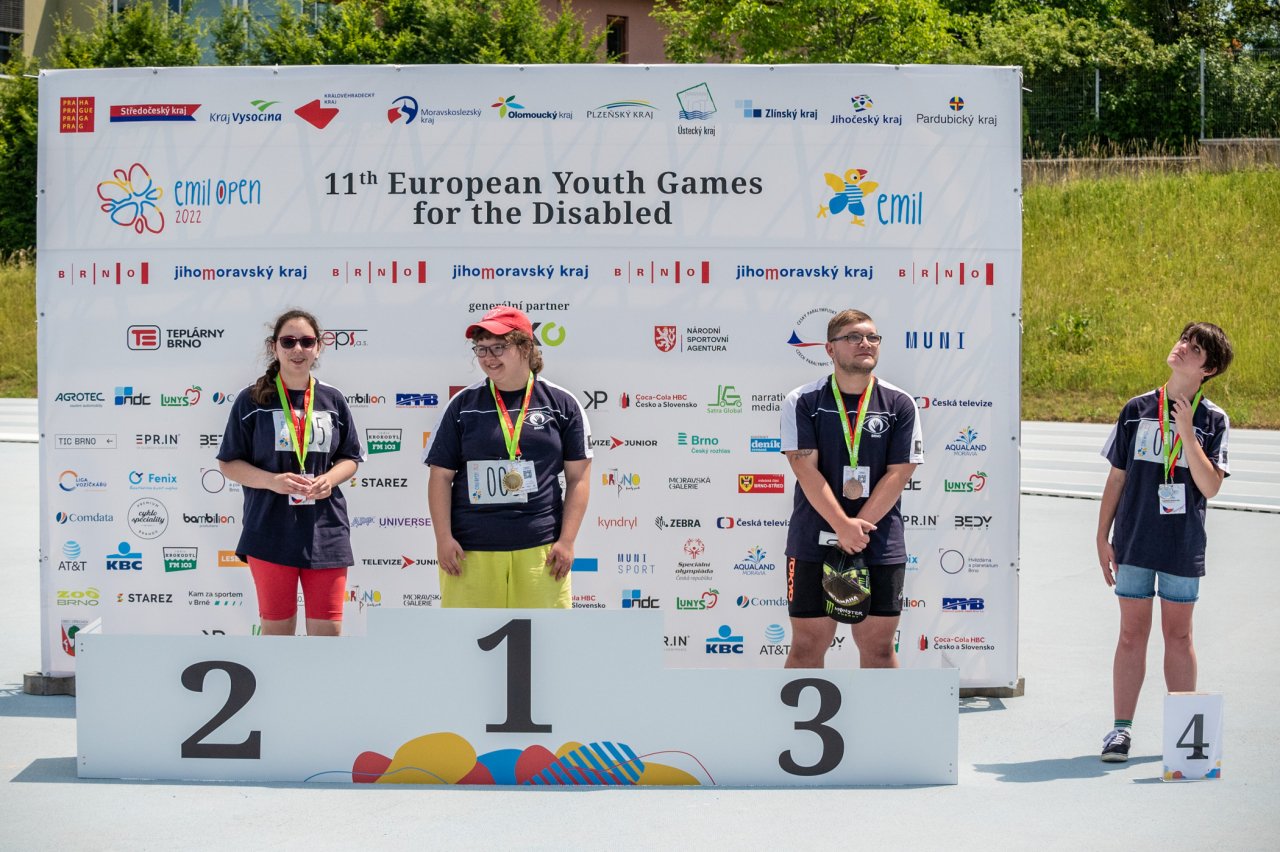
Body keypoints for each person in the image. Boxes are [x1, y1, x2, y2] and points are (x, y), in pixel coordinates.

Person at [1096, 322, 1233, 762]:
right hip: (1134, 539)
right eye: (1183, 340)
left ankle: (1182, 736)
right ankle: (1120, 731)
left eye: (1195, 348)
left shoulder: (1214, 420)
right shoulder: (1136, 409)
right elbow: (1117, 477)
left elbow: (1210, 487)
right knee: (1130, 635)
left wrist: (1187, 433)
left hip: (1181, 545)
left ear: (1208, 369)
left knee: (1179, 635)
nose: (1182, 347)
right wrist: (1101, 535)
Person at [780, 309, 923, 669]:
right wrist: (841, 525)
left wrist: (855, 531)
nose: (866, 344)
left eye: (872, 337)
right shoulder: (803, 400)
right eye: (854, 337)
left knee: (879, 648)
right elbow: (804, 468)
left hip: (879, 541)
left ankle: (881, 713)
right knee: (807, 646)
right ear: (830, 349)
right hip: (813, 540)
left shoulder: (899, 403)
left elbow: (900, 473)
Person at [425, 306, 592, 608]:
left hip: (540, 551)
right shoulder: (462, 405)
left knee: (543, 637)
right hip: (470, 551)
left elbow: (578, 477)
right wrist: (443, 539)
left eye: (498, 347)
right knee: (470, 637)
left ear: (526, 347)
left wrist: (567, 541)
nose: (488, 357)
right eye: (481, 348)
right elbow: (440, 476)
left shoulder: (562, 404)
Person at [216, 309, 364, 636]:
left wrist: (329, 479)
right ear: (274, 347)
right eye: (288, 341)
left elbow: (351, 458)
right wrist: (272, 481)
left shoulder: (332, 399)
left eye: (307, 342)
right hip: (269, 528)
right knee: (277, 636)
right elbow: (229, 463)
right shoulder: (251, 400)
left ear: (318, 348)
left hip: (325, 529)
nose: (298, 349)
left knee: (327, 636)